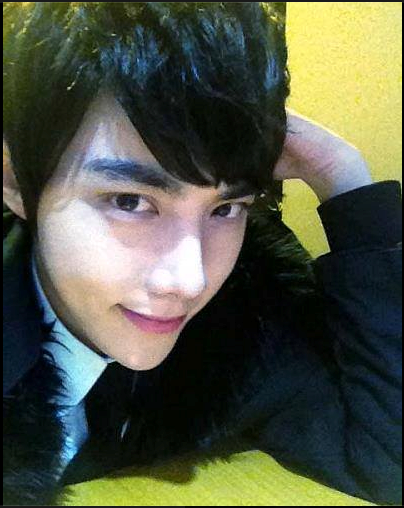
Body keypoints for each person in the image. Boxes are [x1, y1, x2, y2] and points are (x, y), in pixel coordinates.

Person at [3, 3, 402, 506]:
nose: (189, 281)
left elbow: (388, 460)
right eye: (130, 202)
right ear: (16, 182)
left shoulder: (240, 331)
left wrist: (342, 175)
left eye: (226, 208)